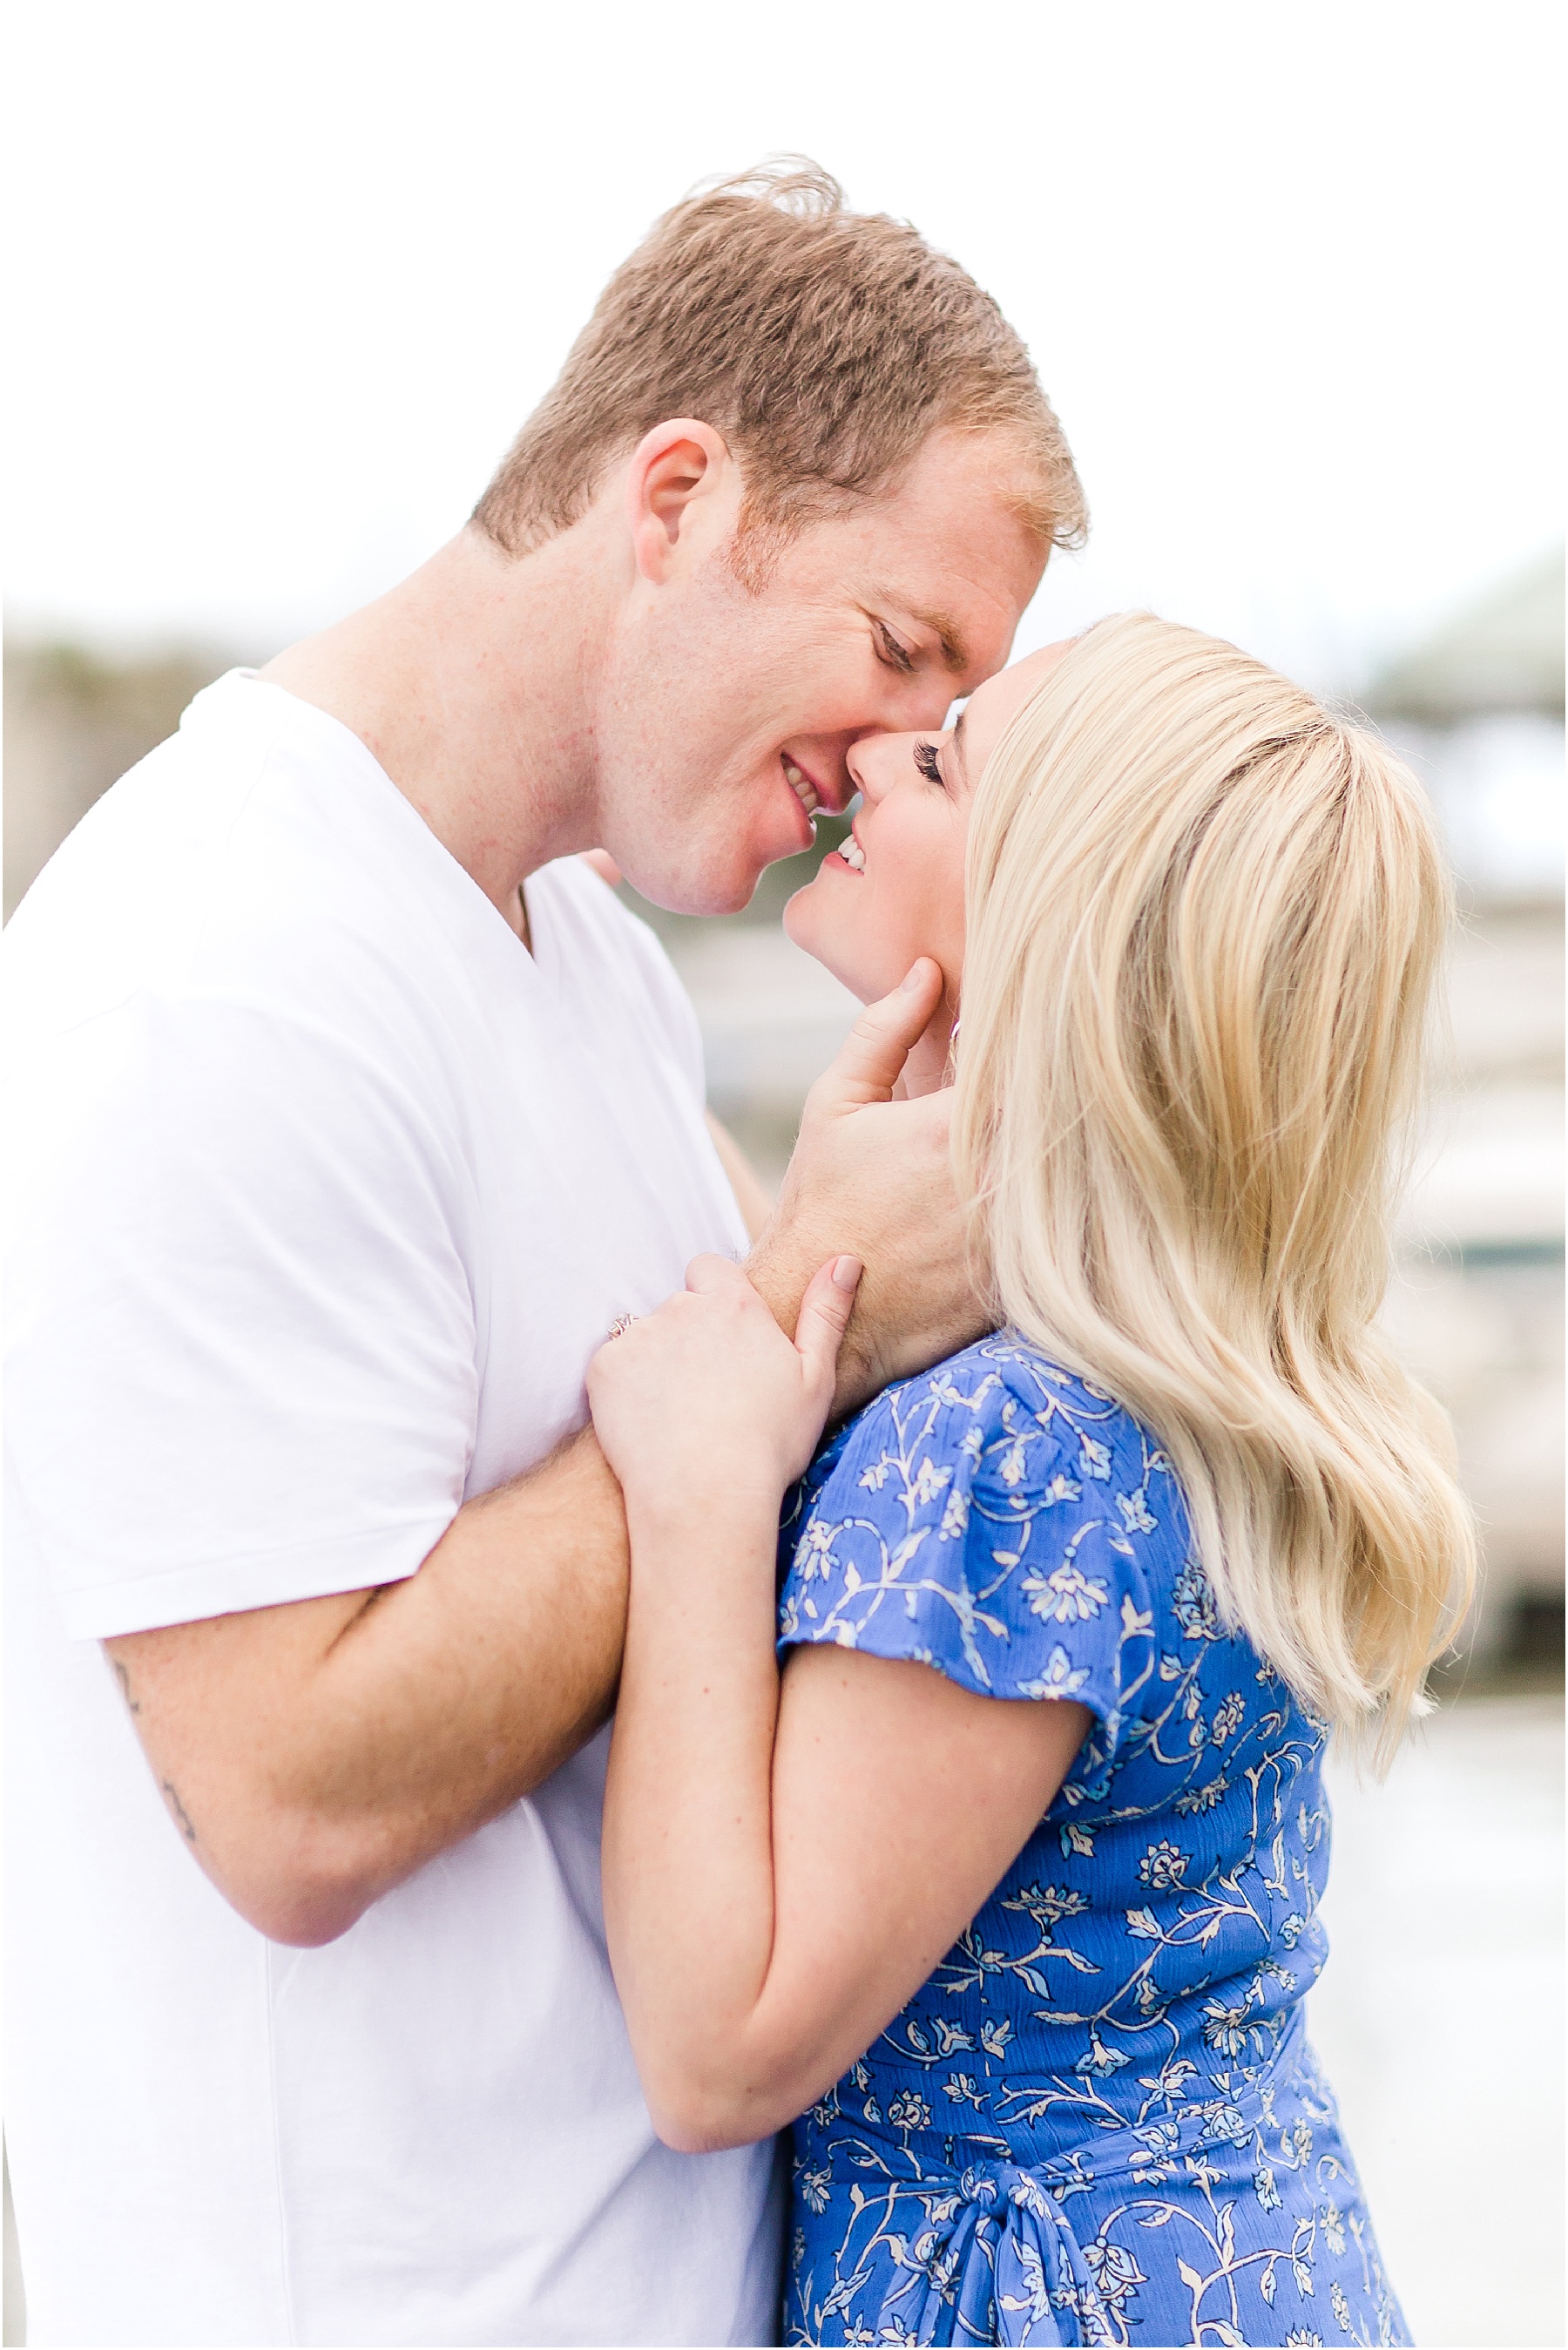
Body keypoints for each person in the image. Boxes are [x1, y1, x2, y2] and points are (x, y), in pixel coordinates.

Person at [2, 164, 1087, 2347]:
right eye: (902, 651)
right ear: (678, 493)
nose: (895, 761)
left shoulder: (589, 958)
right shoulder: (220, 965)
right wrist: (818, 1309)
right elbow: (288, 1800)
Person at [587, 613, 1476, 2347]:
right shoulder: (1157, 1378)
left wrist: (701, 1488)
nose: (865, 755)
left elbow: (719, 2043)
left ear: (1046, 928)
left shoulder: (1006, 1448)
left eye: (941, 762)